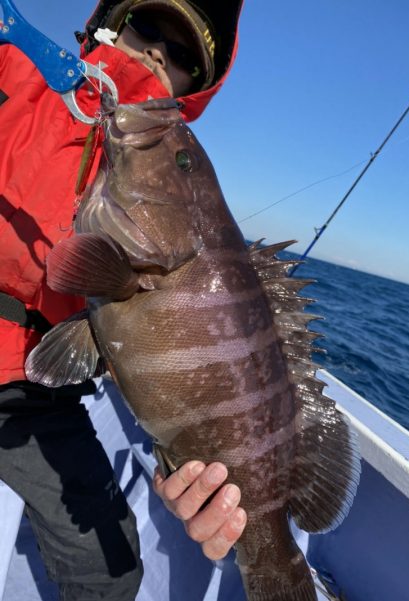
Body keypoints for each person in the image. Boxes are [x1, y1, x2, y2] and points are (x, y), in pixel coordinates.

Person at [0, 1, 245, 599]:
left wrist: (184, 458)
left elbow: (162, 337)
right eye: (149, 28)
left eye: (183, 55)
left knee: (114, 570)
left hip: (35, 390)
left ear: (195, 88)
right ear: (111, 21)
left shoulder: (178, 189)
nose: (159, 51)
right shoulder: (13, 65)